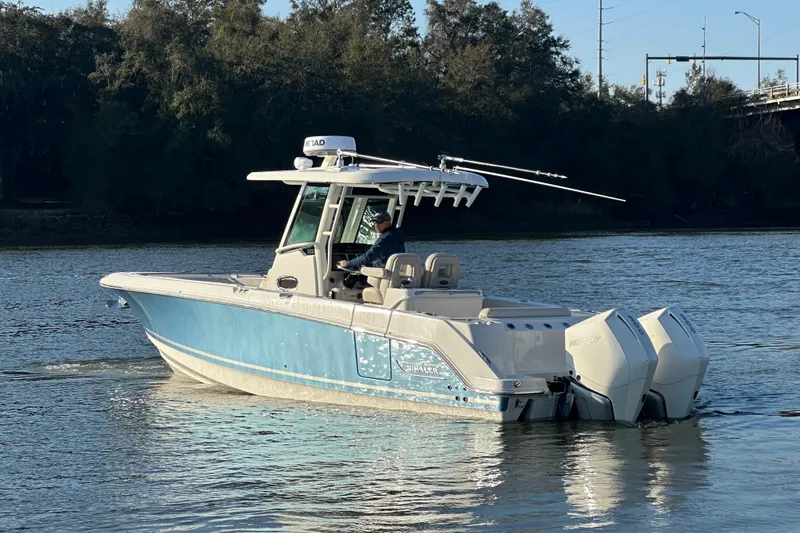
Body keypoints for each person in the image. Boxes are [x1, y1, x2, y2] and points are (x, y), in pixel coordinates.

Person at [338, 212, 405, 270]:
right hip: (391, 270)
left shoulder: (386, 238)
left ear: (389, 222)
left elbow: (369, 256)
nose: (377, 225)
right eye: (375, 222)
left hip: (385, 271)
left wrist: (347, 263)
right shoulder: (396, 235)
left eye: (380, 222)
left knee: (361, 267)